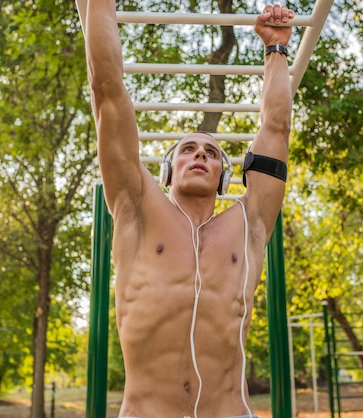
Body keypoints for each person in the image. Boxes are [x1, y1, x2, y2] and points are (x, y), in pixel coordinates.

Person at [77, 1, 294, 416]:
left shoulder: (249, 224)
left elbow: (276, 128)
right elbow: (107, 91)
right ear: (167, 171)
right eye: (188, 149)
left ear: (224, 178)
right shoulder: (135, 211)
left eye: (212, 153)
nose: (200, 155)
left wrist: (276, 48)